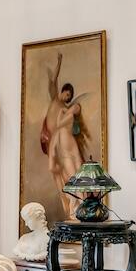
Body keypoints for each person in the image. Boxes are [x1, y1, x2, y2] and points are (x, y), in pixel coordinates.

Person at [39, 55, 94, 218]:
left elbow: (70, 120)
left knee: (67, 173)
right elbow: (54, 79)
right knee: (60, 172)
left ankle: (76, 205)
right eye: (67, 94)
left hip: (61, 140)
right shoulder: (56, 99)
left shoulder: (67, 109)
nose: (67, 98)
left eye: (69, 97)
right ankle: (73, 205)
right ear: (63, 91)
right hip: (52, 139)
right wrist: (60, 62)